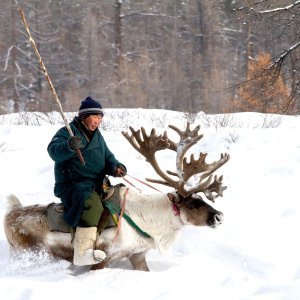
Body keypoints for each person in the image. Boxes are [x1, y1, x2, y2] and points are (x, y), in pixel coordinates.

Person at [47, 96, 126, 266]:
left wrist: (115, 167)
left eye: (100, 117)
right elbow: (53, 151)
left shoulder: (98, 136)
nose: (98, 121)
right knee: (93, 204)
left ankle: (107, 243)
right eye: (95, 117)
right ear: (84, 117)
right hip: (73, 185)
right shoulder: (66, 132)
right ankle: (82, 252)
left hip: (97, 184)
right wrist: (68, 146)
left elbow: (107, 157)